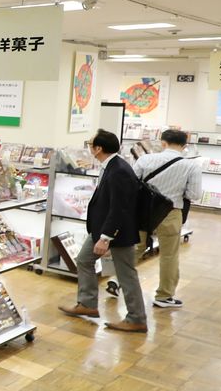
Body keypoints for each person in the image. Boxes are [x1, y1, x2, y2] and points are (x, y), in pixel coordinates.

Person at [59, 129, 147, 333]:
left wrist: (106, 238)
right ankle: (88, 304)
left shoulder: (119, 171)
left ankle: (137, 318)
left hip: (116, 233)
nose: (89, 147)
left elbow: (120, 208)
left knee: (126, 274)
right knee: (83, 260)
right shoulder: (111, 166)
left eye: (90, 144)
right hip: (102, 230)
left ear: (98, 148)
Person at [134, 129, 202, 310]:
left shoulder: (145, 160)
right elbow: (194, 194)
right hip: (171, 212)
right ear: (185, 146)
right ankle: (164, 296)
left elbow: (132, 185)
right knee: (169, 255)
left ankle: (117, 282)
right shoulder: (191, 166)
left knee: (135, 248)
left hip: (143, 212)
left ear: (163, 143)